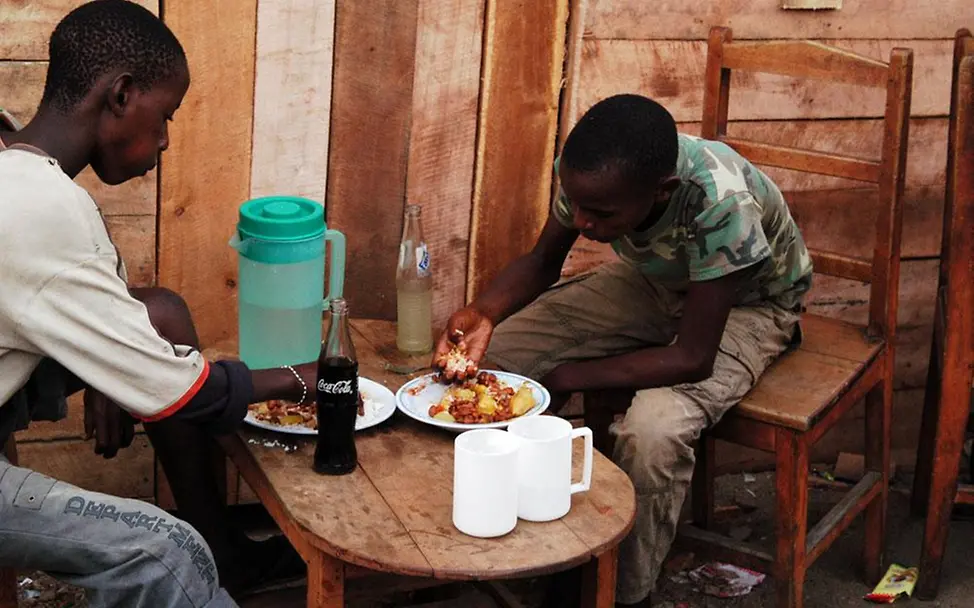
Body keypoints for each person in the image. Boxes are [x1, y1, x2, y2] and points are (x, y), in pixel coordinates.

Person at [433, 94, 813, 607]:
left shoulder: (721, 201)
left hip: (752, 305)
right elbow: (544, 260)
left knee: (653, 431)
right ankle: (497, 541)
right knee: (497, 364)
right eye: (578, 205)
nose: (583, 222)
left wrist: (567, 377)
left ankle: (619, 592)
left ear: (663, 191)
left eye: (601, 213)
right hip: (657, 283)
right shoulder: (589, 176)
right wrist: (484, 312)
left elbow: (692, 357)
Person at [0, 1, 315, 605]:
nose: (167, 139)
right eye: (166, 115)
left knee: (161, 314)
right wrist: (308, 382)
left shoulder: (16, 153)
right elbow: (190, 393)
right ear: (120, 96)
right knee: (165, 553)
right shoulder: (40, 204)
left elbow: (90, 297)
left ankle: (227, 555)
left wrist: (112, 370)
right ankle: (207, 565)